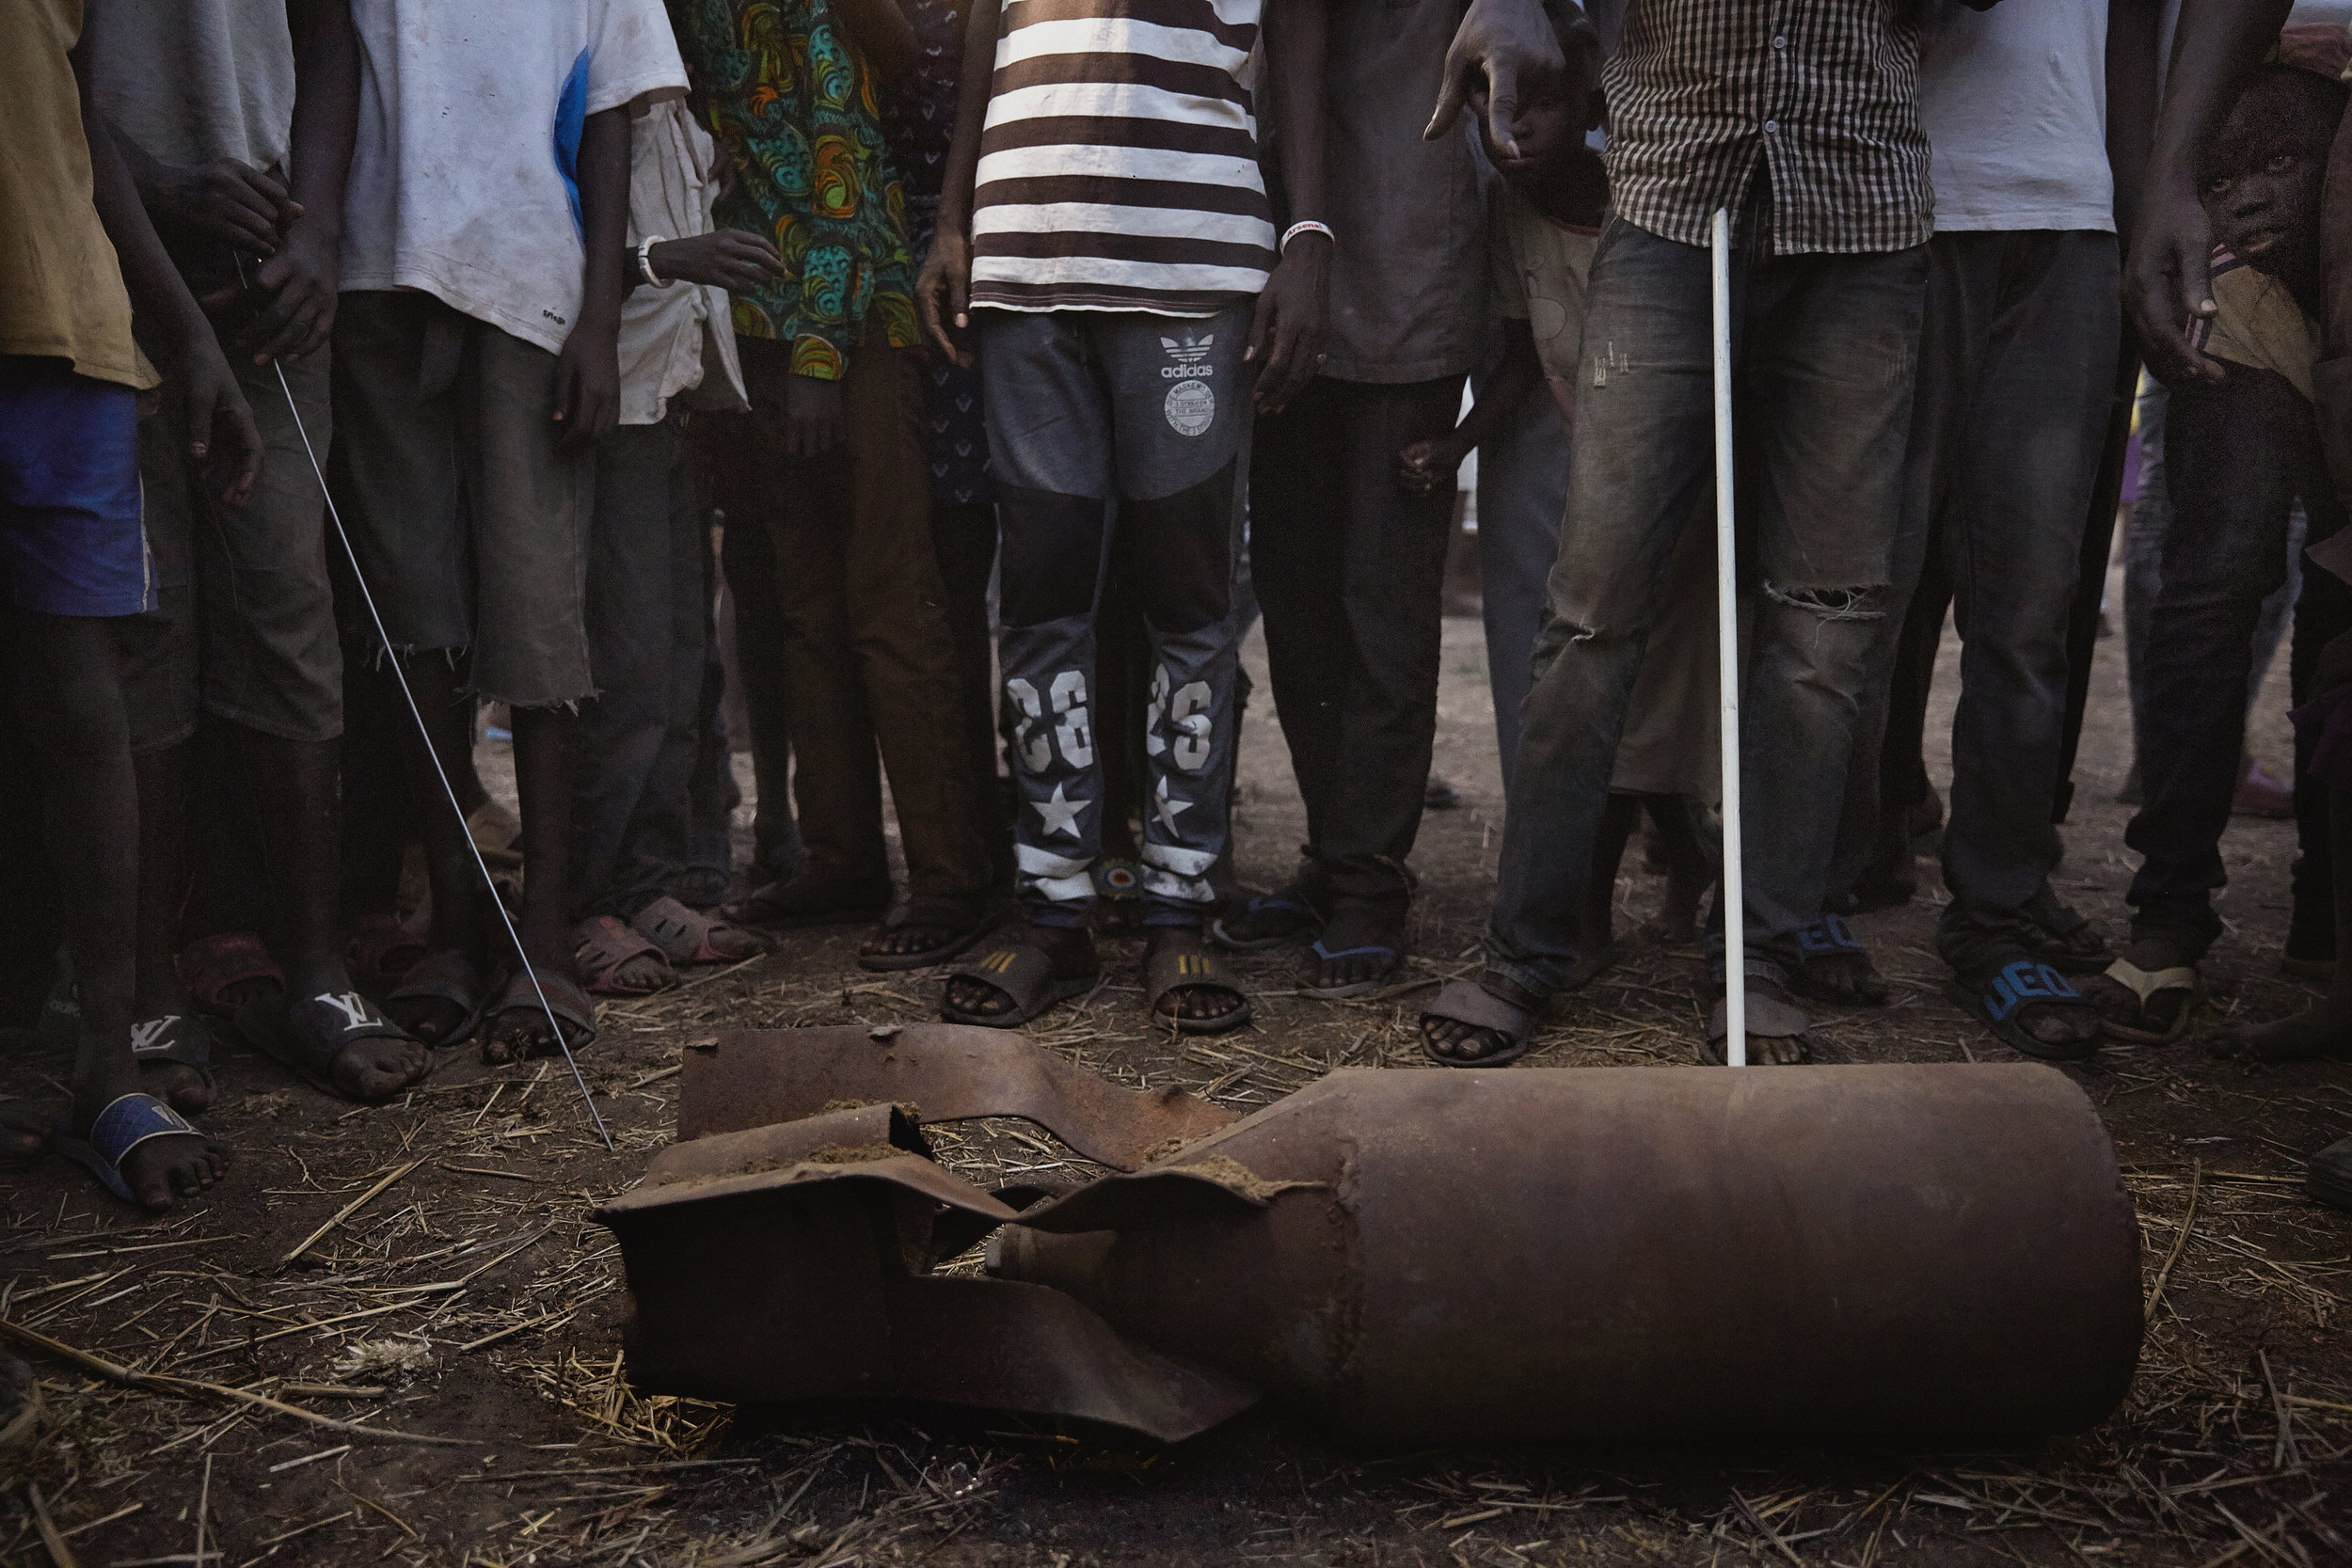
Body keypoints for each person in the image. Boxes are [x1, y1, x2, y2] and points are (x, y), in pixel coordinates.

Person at [1420, 0, 1935, 1069]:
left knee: (1825, 619)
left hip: (1860, 206)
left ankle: (1760, 958)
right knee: (1593, 607)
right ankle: (1526, 951)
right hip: (1669, 199)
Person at [917, 0, 1331, 1030]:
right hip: (1025, 255)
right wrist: (952, 217)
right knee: (1042, 594)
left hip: (1191, 260)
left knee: (1189, 601)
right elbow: (987, 28)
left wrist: (1308, 233)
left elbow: (1302, 35)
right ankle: (1053, 908)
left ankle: (1177, 905)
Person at [85, 0, 437, 1105]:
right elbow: (41, 70)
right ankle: (146, 988)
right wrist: (150, 190)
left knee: (288, 604)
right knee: (148, 623)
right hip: (102, 263)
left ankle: (317, 970)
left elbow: (327, 35)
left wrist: (317, 228)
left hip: (266, 277)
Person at [332, 0, 685, 1064]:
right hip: (374, 280)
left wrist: (595, 316)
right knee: (416, 621)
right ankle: (455, 918)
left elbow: (614, 108)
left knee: (538, 619)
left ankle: (544, 934)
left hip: (529, 284)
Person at [1820, 0, 2164, 1059]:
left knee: (2027, 609)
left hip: (2068, 215)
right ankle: (1805, 898)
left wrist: (2143, 208)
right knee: (1852, 594)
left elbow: (2138, 35)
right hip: (1892, 205)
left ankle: (1998, 907)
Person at [680, 0, 1000, 976]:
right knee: (805, 613)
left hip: (854, 325)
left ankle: (950, 878)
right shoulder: (696, 17)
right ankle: (842, 858)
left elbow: (846, 170)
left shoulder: (811, 10)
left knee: (891, 608)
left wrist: (820, 353)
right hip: (759, 332)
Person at [1392, 4, 1715, 974]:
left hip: (1665, 472)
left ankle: (1681, 867)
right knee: (1568, 675)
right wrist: (1455, 445)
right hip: (1567, 457)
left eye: (1537, 102)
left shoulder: (1645, 196)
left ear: (1587, 93)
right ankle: (1576, 903)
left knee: (1659, 698)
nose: (1515, 128)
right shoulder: (1511, 216)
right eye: (1498, 106)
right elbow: (1521, 356)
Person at [1, 0, 259, 1206]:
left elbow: (78, 120)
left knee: (80, 701)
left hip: (66, 327)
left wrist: (185, 327)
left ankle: (106, 1061)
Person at [1219, 0, 1492, 999]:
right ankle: (1335, 854)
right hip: (1280, 263)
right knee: (1297, 603)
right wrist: (1298, 233)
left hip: (1405, 252)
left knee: (1381, 603)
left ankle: (1370, 881)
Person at [2093, 64, 2352, 1043]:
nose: (2249, 193)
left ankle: (2326, 926)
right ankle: (2166, 920)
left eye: (2273, 167)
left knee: (2340, 596)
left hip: (2336, 253)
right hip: (2237, 291)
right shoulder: (2234, 221)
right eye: (2228, 173)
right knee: (2212, 583)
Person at [569, 94, 774, 997]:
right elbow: (541, 248)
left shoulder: (687, 111)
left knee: (680, 665)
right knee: (625, 667)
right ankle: (582, 902)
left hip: (674, 400)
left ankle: (645, 885)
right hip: (613, 400)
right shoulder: (596, 82)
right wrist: (662, 258)